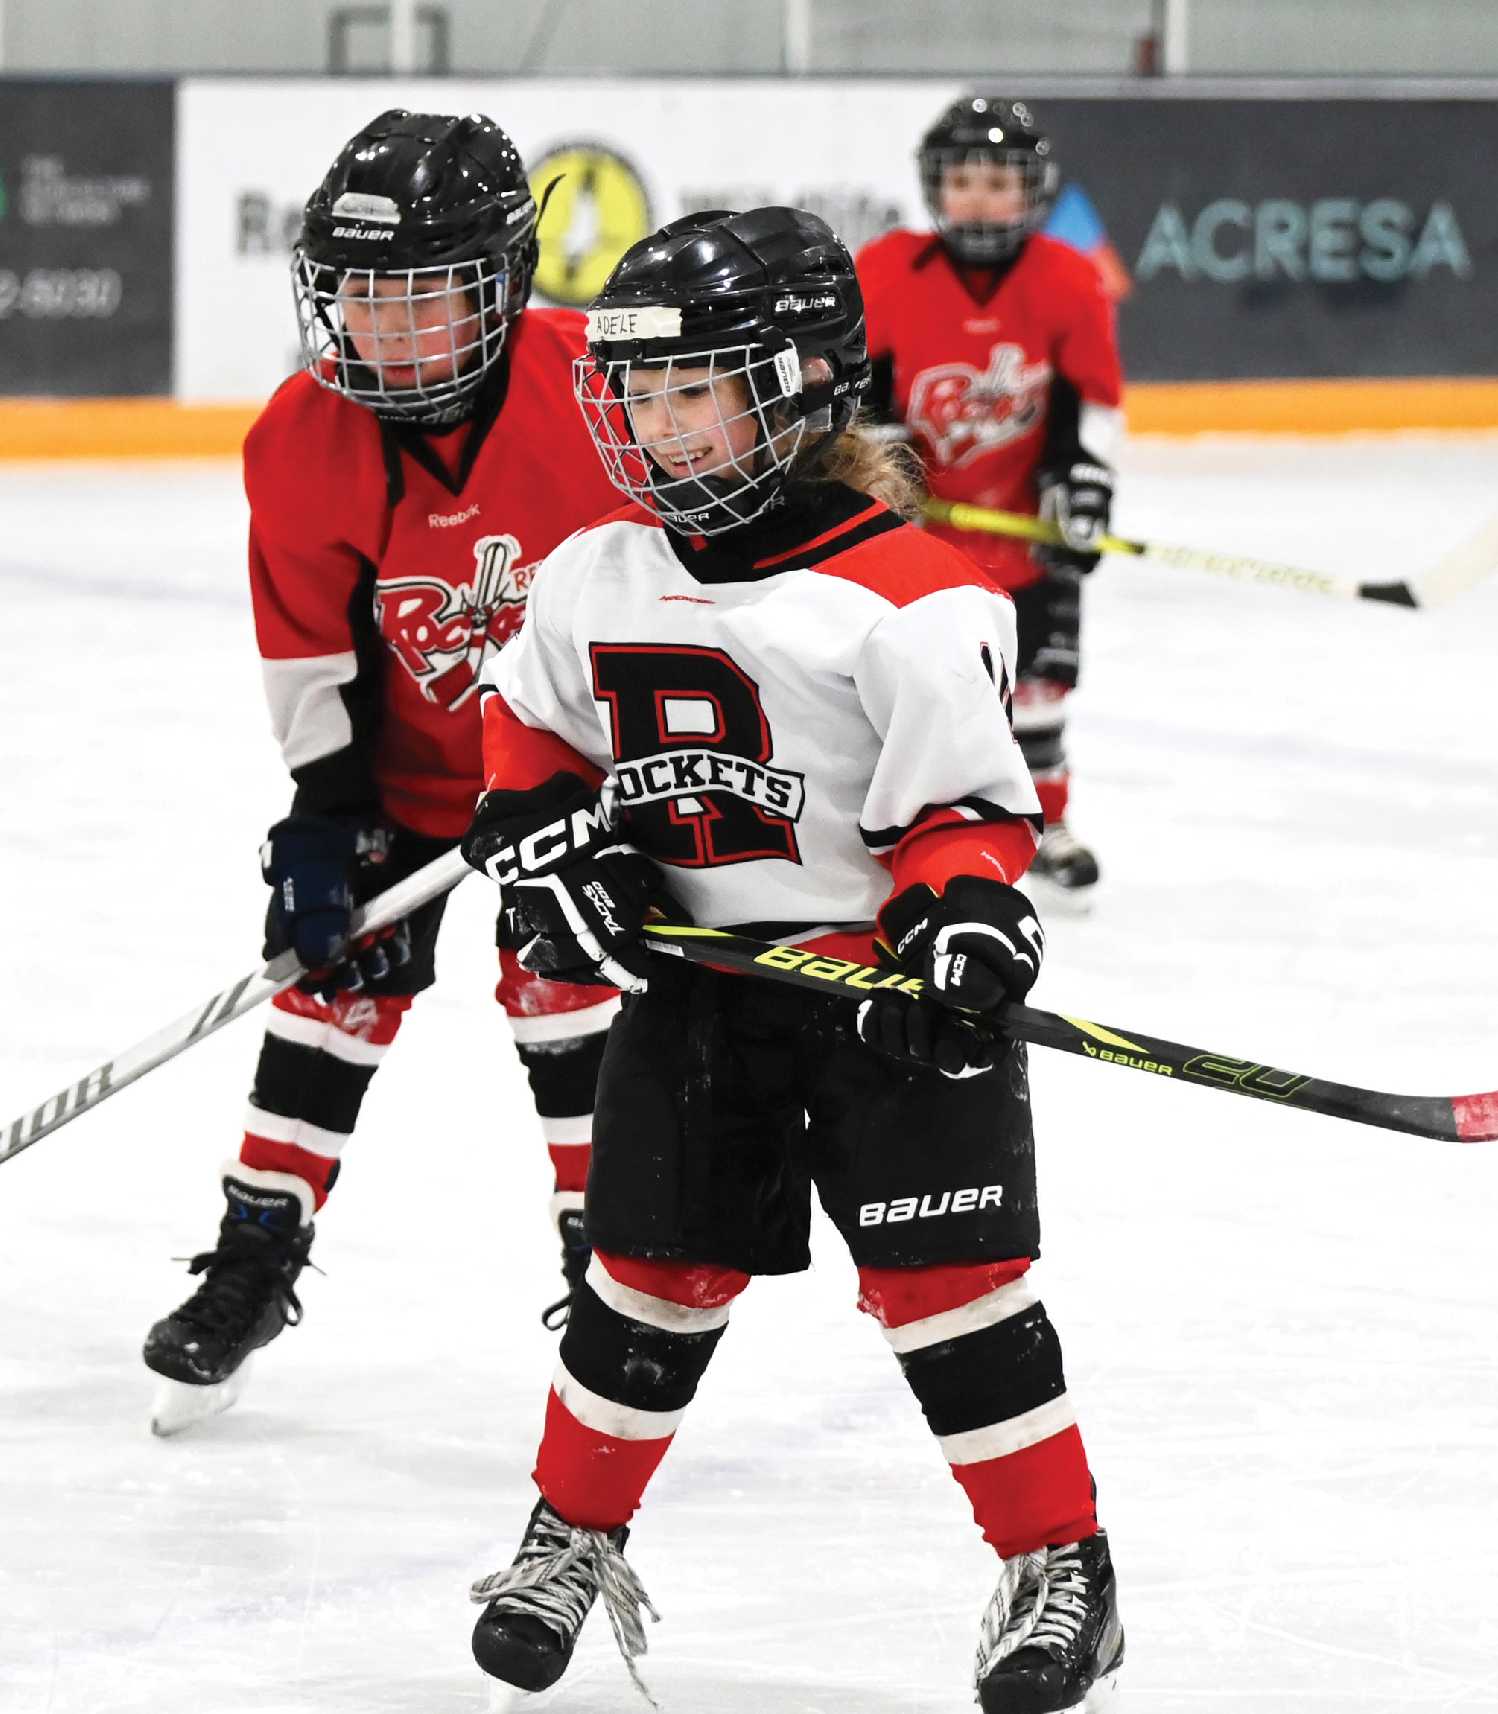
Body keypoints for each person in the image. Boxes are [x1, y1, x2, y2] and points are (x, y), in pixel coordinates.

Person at [456, 206, 1124, 1714]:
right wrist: (553, 846)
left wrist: (958, 913)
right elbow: (530, 736)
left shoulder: (914, 593)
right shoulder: (594, 572)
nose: (649, 420)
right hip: (700, 994)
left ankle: (1059, 1561)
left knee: (949, 1283)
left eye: (690, 387)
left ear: (804, 386)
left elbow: (965, 812)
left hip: (879, 999)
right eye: (634, 389)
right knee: (642, 1276)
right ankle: (570, 1535)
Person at [142, 110, 624, 1430]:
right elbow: (308, 650)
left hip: (577, 775)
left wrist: (635, 781)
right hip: (404, 778)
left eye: (423, 298)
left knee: (562, 977)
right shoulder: (299, 439)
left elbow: (672, 594)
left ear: (507, 283)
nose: (382, 329)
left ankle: (610, 1264)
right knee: (330, 982)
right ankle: (254, 1255)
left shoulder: (597, 393)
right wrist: (324, 814)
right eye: (358, 294)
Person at [857, 94, 1124, 908]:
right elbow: (859, 401)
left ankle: (1047, 822)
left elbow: (1091, 402)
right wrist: (877, 473)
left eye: (999, 180)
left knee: (1039, 684)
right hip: (920, 532)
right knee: (901, 690)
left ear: (1032, 190)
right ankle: (893, 827)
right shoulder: (886, 268)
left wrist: (1083, 486)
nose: (979, 196)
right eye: (963, 178)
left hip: (1020, 521)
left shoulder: (1069, 278)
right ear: (934, 186)